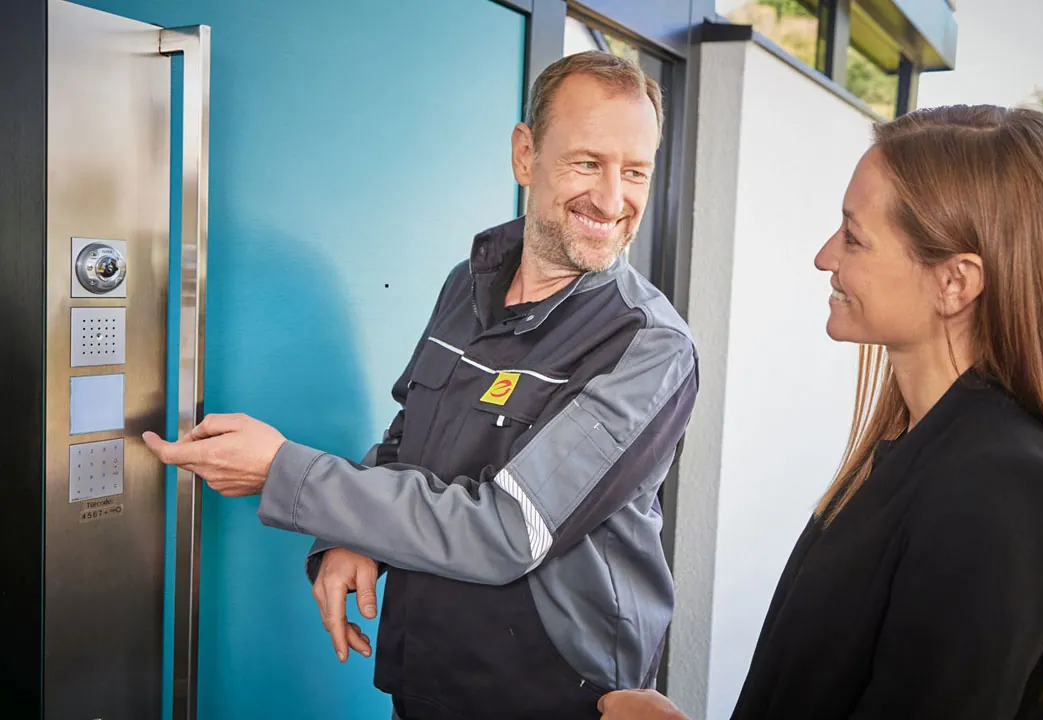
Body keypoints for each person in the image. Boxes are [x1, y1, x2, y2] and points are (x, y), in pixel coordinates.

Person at [144, 50, 699, 720]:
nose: (613, 200)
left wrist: (283, 473)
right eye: (588, 163)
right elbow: (412, 442)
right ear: (526, 155)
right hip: (430, 680)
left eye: (634, 171)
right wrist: (352, 536)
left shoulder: (647, 346)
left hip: (553, 699)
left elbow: (508, 529)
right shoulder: (467, 286)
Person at [599, 104, 1043, 720]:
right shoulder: (919, 446)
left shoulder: (1002, 489)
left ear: (955, 283)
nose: (824, 256)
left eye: (854, 235)